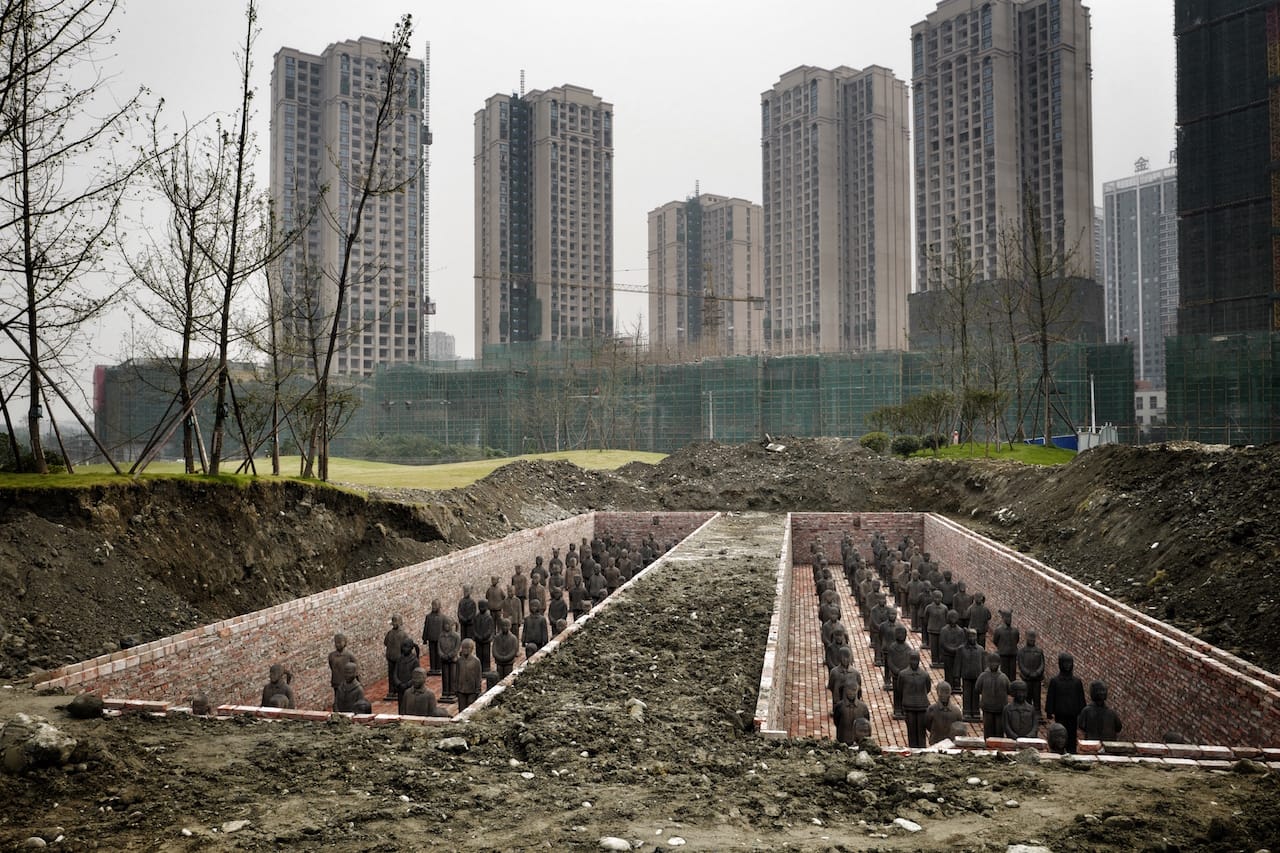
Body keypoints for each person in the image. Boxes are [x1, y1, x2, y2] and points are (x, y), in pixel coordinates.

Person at [1045, 652, 1087, 753]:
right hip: (1060, 715)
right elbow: (1051, 696)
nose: (1067, 665)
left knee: (1072, 735)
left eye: (1069, 663)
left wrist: (1082, 712)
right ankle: (1059, 750)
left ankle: (1072, 751)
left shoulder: (1077, 682)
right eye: (1065, 663)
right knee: (1060, 734)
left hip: (1073, 716)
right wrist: (1049, 711)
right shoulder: (1055, 681)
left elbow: (1081, 698)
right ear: (1060, 664)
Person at [899, 650, 932, 749]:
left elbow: (927, 688)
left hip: (922, 706)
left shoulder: (924, 675)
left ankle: (922, 747)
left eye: (916, 660)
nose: (914, 662)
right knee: (911, 729)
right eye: (912, 660)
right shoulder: (903, 674)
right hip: (909, 706)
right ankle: (912, 747)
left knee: (921, 730)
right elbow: (900, 688)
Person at [974, 652, 1011, 739]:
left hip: (1000, 709)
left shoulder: (1003, 677)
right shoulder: (983, 676)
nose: (993, 665)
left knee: (999, 730)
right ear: (988, 663)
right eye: (991, 663)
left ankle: (997, 746)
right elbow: (977, 688)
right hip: (988, 708)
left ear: (999, 664)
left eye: (995, 663)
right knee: (988, 729)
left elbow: (1009, 690)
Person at [885, 625, 912, 720]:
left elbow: (910, 662)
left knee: (904, 692)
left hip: (905, 675)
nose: (901, 636)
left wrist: (905, 671)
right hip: (896, 675)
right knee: (896, 692)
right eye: (899, 634)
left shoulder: (908, 649)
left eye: (903, 634)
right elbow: (890, 661)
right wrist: (896, 670)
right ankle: (897, 709)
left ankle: (904, 708)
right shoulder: (892, 648)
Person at [957, 629, 985, 722]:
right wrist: (956, 675)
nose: (972, 638)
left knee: (976, 694)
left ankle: (975, 711)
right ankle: (967, 711)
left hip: (977, 675)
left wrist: (984, 675)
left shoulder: (980, 649)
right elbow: (958, 663)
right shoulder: (961, 649)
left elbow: (983, 663)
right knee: (967, 693)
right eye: (971, 636)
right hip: (966, 675)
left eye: (974, 636)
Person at [924, 681, 964, 746]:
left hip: (946, 742)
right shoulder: (956, 710)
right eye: (942, 692)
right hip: (937, 741)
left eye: (946, 693)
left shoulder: (931, 709)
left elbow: (928, 724)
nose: (944, 695)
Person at [1017, 630, 1046, 717]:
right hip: (1027, 678)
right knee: (1027, 695)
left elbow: (1042, 663)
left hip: (1037, 679)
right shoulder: (1022, 651)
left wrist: (1037, 672)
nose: (1032, 641)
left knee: (1037, 696)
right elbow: (1021, 664)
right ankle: (1027, 710)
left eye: (1033, 640)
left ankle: (1037, 711)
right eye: (1030, 640)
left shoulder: (1039, 651)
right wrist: (1028, 673)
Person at [383, 615, 408, 701]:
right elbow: (385, 642)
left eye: (396, 621)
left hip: (399, 658)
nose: (394, 623)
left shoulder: (403, 634)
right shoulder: (390, 633)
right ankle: (391, 690)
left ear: (400, 622)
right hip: (390, 657)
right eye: (393, 621)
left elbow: (406, 645)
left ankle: (398, 691)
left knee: (398, 675)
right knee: (391, 675)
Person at [327, 633, 356, 708]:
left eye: (340, 642)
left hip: (347, 682)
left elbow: (355, 668)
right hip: (336, 681)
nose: (338, 644)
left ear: (345, 642)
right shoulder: (331, 656)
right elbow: (331, 666)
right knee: (338, 699)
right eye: (336, 642)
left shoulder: (349, 655)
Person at [391, 635, 421, 703]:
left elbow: (416, 675)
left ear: (410, 648)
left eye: (406, 647)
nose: (404, 649)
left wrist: (407, 684)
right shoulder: (399, 659)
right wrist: (398, 683)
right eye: (403, 647)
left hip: (410, 688)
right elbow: (395, 673)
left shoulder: (414, 661)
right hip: (400, 687)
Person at [939, 609, 966, 686]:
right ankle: (949, 685)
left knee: (957, 670)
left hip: (957, 655)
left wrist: (957, 650)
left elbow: (962, 642)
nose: (953, 619)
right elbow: (943, 643)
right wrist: (951, 649)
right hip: (947, 655)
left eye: (955, 617)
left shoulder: (960, 631)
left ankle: (956, 685)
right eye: (951, 617)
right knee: (948, 671)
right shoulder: (944, 630)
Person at [438, 616, 461, 703]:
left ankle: (452, 692)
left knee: (452, 676)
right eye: (445, 625)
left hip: (452, 659)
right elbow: (439, 647)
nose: (446, 626)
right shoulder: (441, 635)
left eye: (448, 624)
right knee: (445, 676)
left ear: (451, 625)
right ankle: (445, 692)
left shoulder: (456, 636)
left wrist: (450, 655)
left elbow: (456, 648)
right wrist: (442, 655)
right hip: (444, 659)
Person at [456, 639, 483, 711]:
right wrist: (456, 687)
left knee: (470, 708)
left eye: (467, 648)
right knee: (461, 709)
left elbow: (478, 676)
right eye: (463, 648)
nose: (465, 650)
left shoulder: (476, 661)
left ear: (471, 649)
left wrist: (478, 688)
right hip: (461, 689)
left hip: (472, 689)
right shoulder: (459, 661)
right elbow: (456, 674)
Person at [993, 609, 1020, 681]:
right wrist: (1002, 648)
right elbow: (995, 641)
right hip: (1003, 655)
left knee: (1012, 673)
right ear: (1003, 618)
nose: (1009, 619)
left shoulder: (1015, 630)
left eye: (1010, 617)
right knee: (1004, 673)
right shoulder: (998, 630)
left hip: (1013, 654)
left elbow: (1016, 640)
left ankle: (1012, 686)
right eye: (1007, 617)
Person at [422, 600, 445, 675]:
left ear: (439, 606)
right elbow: (426, 627)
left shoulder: (442, 617)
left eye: (435, 605)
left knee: (439, 653)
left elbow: (444, 628)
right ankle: (433, 668)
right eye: (433, 605)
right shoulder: (428, 617)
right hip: (431, 638)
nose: (433, 607)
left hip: (439, 638)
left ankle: (439, 668)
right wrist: (424, 638)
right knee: (432, 653)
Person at [472, 600, 495, 671]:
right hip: (478, 639)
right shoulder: (476, 617)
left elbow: (490, 629)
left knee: (485, 654)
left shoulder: (489, 618)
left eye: (483, 606)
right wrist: (477, 635)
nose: (481, 608)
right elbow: (474, 628)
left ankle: (486, 667)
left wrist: (484, 636)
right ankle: (479, 667)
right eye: (480, 606)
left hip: (486, 640)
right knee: (479, 654)